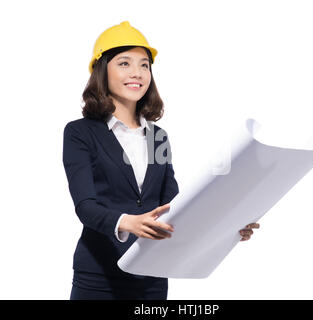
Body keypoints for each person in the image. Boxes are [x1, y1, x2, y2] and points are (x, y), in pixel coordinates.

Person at [62, 21, 259, 300]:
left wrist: (227, 230)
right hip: (99, 278)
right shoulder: (80, 133)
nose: (137, 73)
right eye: (124, 63)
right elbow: (86, 206)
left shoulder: (157, 137)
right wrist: (127, 222)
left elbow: (174, 206)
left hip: (151, 277)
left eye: (144, 65)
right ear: (102, 70)